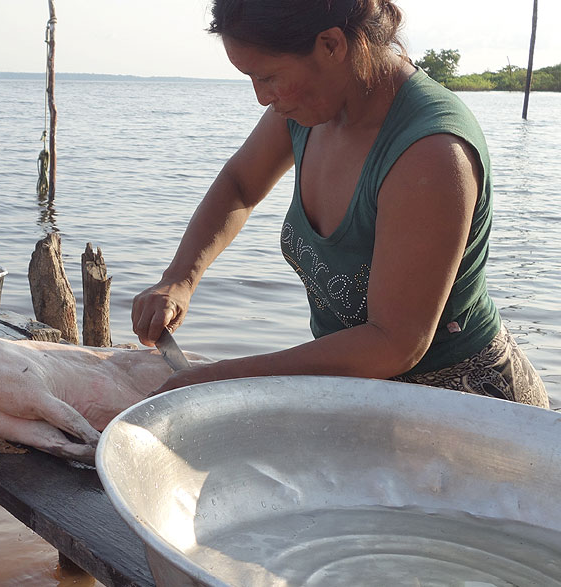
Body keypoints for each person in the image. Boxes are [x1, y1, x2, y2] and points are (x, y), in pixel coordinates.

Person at [131, 0, 549, 407]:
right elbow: (240, 183)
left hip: (466, 404)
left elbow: (394, 343)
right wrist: (179, 277)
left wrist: (222, 377)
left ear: (331, 45)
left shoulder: (432, 153)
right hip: (358, 392)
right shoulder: (306, 108)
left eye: (270, 76)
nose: (262, 97)